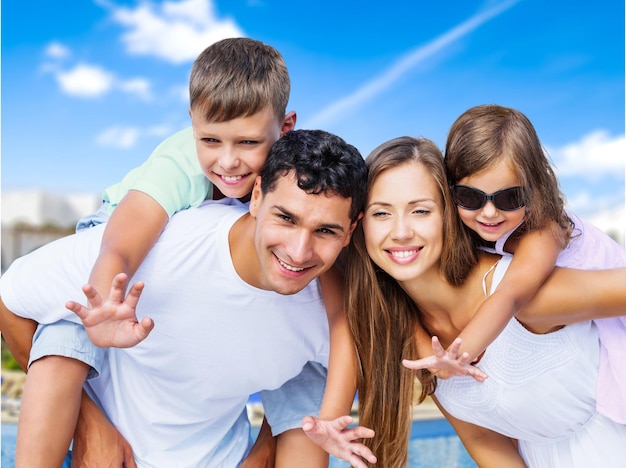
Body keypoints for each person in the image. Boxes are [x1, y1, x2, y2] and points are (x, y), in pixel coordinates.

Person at [13, 37, 367, 466]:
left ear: (285, 127)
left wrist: (328, 416)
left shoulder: (296, 191)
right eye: (211, 141)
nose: (229, 162)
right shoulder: (179, 166)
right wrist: (106, 304)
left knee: (307, 350)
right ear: (193, 127)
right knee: (66, 337)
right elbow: (120, 248)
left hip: (245, 263)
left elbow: (337, 305)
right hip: (116, 234)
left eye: (249, 144)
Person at [344, 136, 626, 467]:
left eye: (420, 210)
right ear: (361, 225)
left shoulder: (522, 294)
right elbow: (483, 440)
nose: (401, 231)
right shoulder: (413, 335)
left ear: (448, 213)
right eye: (381, 213)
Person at [409, 104, 626, 424]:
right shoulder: (464, 234)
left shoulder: (545, 229)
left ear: (535, 188)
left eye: (509, 198)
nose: (489, 213)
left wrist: (458, 355)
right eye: (470, 197)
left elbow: (512, 294)